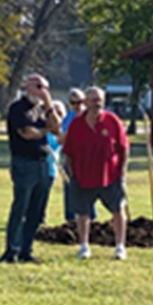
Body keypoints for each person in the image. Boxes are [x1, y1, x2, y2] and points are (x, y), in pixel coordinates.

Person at [62, 85, 129, 261]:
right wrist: (72, 173)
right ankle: (84, 246)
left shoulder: (113, 121)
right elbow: (68, 151)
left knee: (118, 209)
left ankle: (120, 247)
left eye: (100, 100)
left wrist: (121, 171)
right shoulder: (76, 124)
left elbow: (123, 148)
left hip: (110, 176)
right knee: (82, 213)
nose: (97, 103)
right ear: (86, 102)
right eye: (93, 100)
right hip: (83, 176)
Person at [0, 73, 61, 263]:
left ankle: (27, 249)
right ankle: (12, 249)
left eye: (46, 88)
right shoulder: (18, 109)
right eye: (39, 87)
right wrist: (45, 131)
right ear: (28, 87)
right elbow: (27, 133)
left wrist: (49, 105)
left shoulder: (42, 109)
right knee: (21, 206)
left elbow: (57, 128)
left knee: (37, 209)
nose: (43, 92)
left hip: (43, 162)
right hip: (24, 162)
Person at [61, 87, 96, 222]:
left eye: (79, 102)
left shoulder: (91, 117)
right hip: (71, 159)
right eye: (73, 103)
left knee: (90, 189)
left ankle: (91, 217)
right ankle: (70, 219)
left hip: (89, 160)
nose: (76, 106)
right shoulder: (67, 119)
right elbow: (63, 138)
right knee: (71, 189)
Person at [41, 100, 66, 224]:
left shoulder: (60, 133)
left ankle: (41, 217)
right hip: (38, 166)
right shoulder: (42, 130)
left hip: (50, 169)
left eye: (59, 113)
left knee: (44, 195)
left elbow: (56, 146)